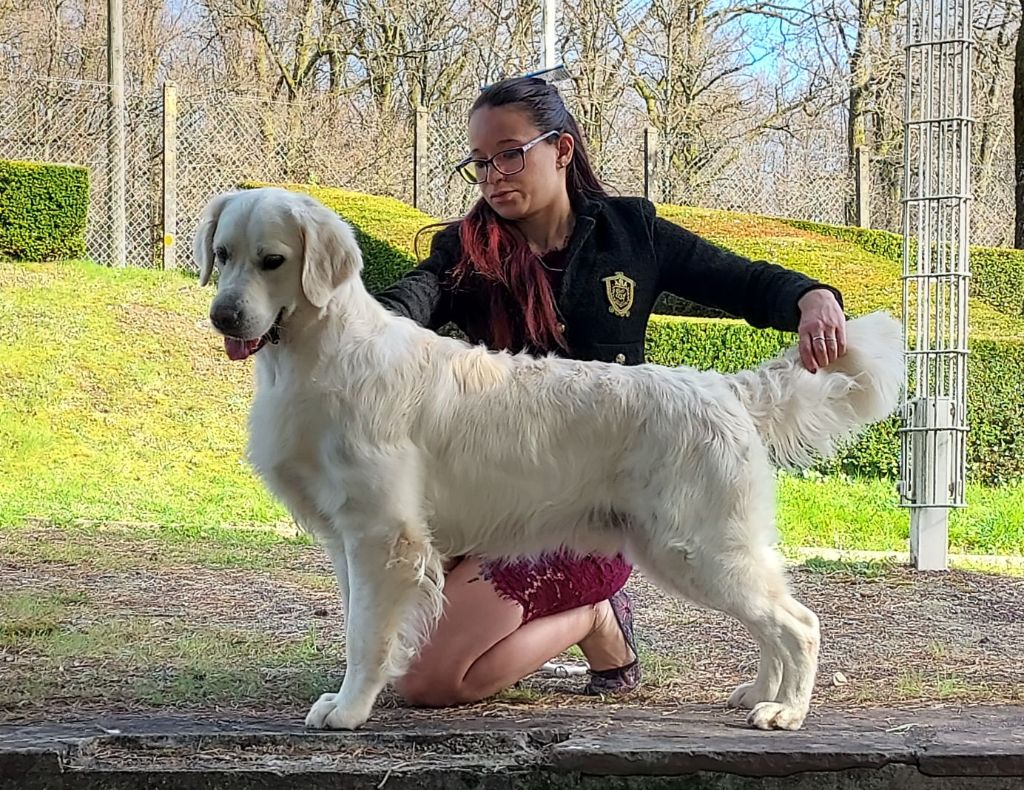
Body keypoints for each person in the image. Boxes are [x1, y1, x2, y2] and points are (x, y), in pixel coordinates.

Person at [372, 75, 847, 708]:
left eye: (510, 154)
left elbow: (740, 280)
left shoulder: (632, 232)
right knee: (415, 659)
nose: (493, 176)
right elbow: (406, 308)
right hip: (498, 508)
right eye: (480, 163)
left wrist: (811, 296)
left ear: (562, 149)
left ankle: (596, 615)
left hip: (603, 500)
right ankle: (589, 624)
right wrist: (342, 331)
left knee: (426, 684)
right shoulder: (464, 249)